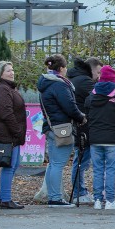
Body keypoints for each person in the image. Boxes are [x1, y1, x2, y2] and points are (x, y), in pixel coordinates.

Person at [37, 54, 86, 207]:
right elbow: (69, 105)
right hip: (62, 127)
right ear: (61, 68)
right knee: (58, 164)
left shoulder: (46, 83)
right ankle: (56, 198)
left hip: (51, 127)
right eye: (65, 68)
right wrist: (81, 117)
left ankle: (54, 196)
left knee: (53, 164)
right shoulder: (59, 84)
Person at [85, 65, 115, 210]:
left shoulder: (91, 96)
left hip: (95, 138)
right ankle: (109, 200)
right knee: (110, 170)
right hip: (112, 138)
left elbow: (87, 114)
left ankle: (97, 200)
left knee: (97, 170)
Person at [0, 61, 26, 209]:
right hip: (7, 134)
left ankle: (4, 197)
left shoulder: (8, 88)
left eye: (12, 70)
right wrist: (17, 130)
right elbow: (6, 113)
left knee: (13, 164)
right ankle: (5, 198)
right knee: (9, 166)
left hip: (11, 133)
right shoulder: (2, 89)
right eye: (8, 71)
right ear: (0, 73)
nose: (12, 73)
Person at [67, 57, 102, 204]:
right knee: (81, 160)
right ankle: (79, 192)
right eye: (98, 72)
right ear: (92, 69)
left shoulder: (76, 78)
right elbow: (100, 99)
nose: (99, 76)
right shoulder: (85, 82)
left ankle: (79, 191)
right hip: (84, 127)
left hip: (79, 126)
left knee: (80, 159)